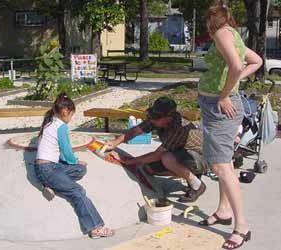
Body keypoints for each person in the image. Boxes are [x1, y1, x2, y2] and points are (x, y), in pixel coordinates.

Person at [198, 1, 262, 249]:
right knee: (221, 160)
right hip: (215, 105)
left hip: (219, 107)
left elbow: (237, 66)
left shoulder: (222, 33)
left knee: (222, 166)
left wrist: (225, 94)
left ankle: (241, 227)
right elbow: (255, 61)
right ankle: (224, 211)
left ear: (212, 19)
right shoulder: (232, 34)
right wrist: (232, 84)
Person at [34, 92, 114, 239]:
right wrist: (75, 160)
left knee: (80, 169)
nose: (71, 118)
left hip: (47, 167)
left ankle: (50, 184)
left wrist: (77, 164)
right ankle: (95, 228)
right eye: (71, 115)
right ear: (65, 112)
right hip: (48, 169)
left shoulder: (50, 121)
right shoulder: (61, 127)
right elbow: (66, 152)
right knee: (78, 191)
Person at [105, 96, 207, 203]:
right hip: (181, 153)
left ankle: (197, 185)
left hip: (199, 157)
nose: (152, 120)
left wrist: (130, 161)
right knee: (148, 168)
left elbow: (157, 155)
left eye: (156, 117)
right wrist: (115, 143)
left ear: (168, 118)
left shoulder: (180, 127)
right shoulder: (157, 120)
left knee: (167, 158)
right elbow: (135, 130)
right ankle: (189, 174)